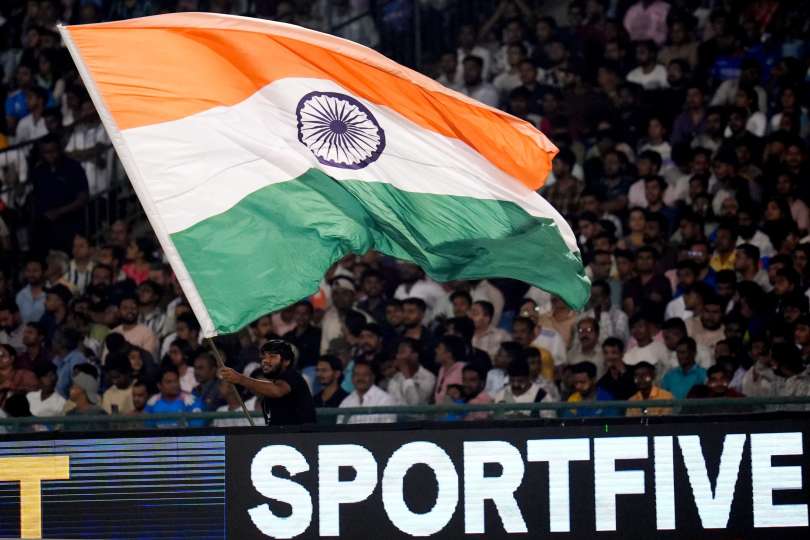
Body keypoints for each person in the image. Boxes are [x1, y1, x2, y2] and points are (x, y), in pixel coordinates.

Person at [218, 339, 315, 426]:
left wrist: (240, 379)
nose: (265, 360)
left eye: (272, 357)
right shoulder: (273, 379)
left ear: (287, 361)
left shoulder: (292, 376)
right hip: (279, 435)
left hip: (300, 436)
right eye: (264, 357)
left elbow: (277, 391)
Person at [337, 360, 397, 424]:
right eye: (356, 374)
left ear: (373, 377)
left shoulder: (385, 400)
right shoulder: (346, 401)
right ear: (352, 378)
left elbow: (388, 428)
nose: (360, 378)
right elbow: (340, 426)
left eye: (365, 374)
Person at [387, 338, 436, 406]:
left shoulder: (428, 377)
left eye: (402, 352)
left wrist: (407, 375)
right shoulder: (395, 378)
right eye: (398, 353)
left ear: (415, 355)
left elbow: (415, 404)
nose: (398, 357)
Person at [112, 295, 159, 359]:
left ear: (138, 310)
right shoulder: (113, 332)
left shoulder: (147, 333)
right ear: (119, 311)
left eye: (133, 308)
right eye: (125, 308)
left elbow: (148, 360)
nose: (130, 311)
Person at [0, 344, 38, 408]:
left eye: (2, 355)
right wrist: (2, 386)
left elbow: (37, 393)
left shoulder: (25, 374)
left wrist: (16, 388)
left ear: (12, 358)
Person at [433, 335, 466, 404]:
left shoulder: (462, 370)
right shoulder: (442, 369)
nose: (435, 350)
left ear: (449, 353)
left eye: (439, 348)